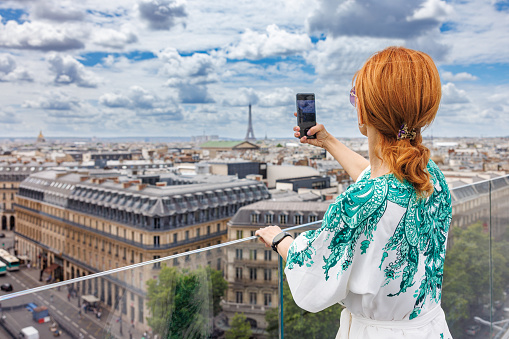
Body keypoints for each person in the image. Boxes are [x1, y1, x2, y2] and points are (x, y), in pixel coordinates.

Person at [256, 46, 452, 339]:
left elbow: (314, 274)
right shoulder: (430, 175)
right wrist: (328, 142)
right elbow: (378, 179)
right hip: (430, 327)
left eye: (354, 96)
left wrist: (280, 240)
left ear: (365, 108)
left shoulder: (362, 201)